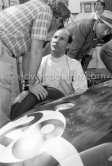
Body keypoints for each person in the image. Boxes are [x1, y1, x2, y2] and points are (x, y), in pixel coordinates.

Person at [0, 0, 70, 128]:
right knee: (2, 101)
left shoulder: (34, 10)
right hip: (2, 46)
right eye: (59, 25)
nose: (55, 30)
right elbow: (37, 51)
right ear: (58, 18)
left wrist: (28, 83)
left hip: (5, 48)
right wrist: (33, 84)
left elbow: (28, 55)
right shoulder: (46, 12)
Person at [10, 29, 87, 120]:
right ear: (50, 41)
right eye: (55, 37)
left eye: (62, 39)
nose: (56, 41)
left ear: (68, 45)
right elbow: (30, 89)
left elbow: (82, 92)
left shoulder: (74, 65)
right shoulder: (40, 62)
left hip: (66, 109)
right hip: (42, 109)